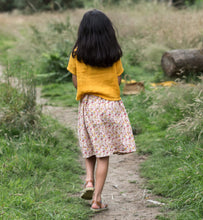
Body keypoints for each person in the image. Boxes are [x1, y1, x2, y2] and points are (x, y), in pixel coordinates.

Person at [67, 9, 136, 212]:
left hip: (89, 104)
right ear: (108, 31)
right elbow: (117, 80)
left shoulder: (77, 52)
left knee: (89, 144)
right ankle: (96, 199)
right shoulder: (113, 53)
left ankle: (89, 182)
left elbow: (75, 82)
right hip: (110, 104)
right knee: (103, 154)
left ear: (83, 30)